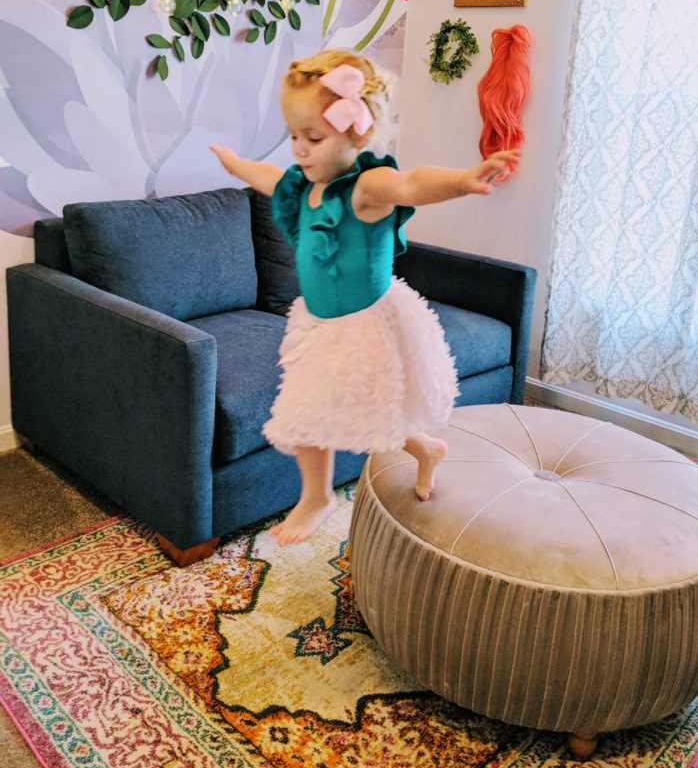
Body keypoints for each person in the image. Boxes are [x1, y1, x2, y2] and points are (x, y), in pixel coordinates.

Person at [210, 49, 518, 545]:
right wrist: (235, 164)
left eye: (313, 137)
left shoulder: (367, 188)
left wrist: (462, 181)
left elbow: (414, 183)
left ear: (357, 132)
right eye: (293, 136)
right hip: (319, 322)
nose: (300, 150)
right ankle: (426, 451)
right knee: (360, 413)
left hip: (367, 323)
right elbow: (270, 180)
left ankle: (316, 497)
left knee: (315, 410)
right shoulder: (304, 187)